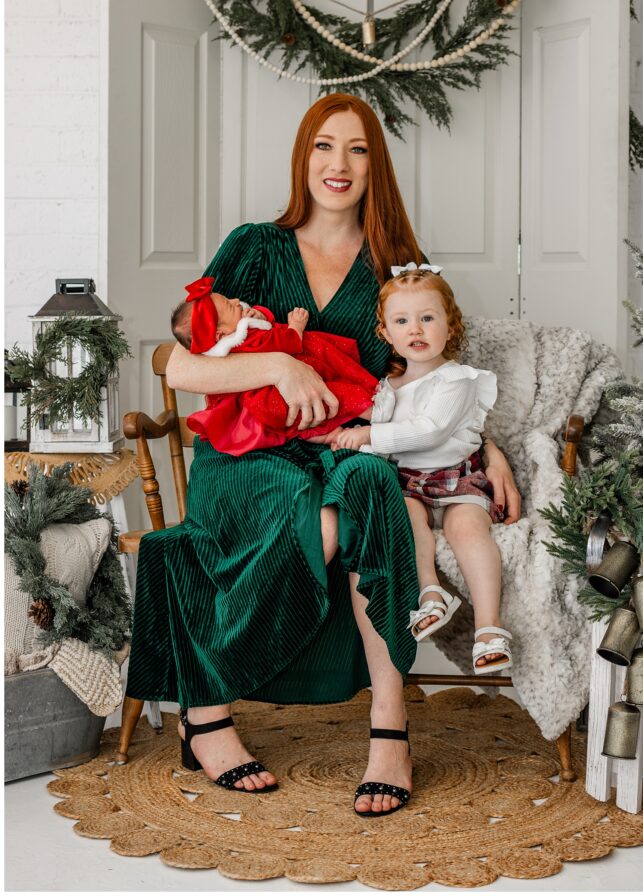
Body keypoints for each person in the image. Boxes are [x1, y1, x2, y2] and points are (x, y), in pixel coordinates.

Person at [126, 93, 521, 818]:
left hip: (342, 446)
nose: (339, 164)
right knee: (317, 523)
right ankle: (207, 712)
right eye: (324, 146)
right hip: (246, 454)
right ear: (302, 157)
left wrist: (484, 447)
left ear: (376, 167)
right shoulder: (254, 246)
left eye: (358, 149)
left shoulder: (392, 269)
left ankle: (390, 731)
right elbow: (173, 362)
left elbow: (418, 377)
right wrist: (278, 368)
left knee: (372, 484)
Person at [329, 265, 513, 673]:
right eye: (402, 321)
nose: (416, 329)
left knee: (466, 530)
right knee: (406, 523)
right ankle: (431, 593)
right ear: (386, 333)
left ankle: (489, 628)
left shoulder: (457, 380)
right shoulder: (387, 388)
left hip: (457, 477)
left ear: (450, 326)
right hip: (410, 484)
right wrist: (338, 434)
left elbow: (428, 432)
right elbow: (371, 428)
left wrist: (368, 437)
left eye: (427, 318)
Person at [170, 279, 377, 456]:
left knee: (302, 423)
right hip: (274, 399)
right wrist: (295, 327)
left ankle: (335, 436)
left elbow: (264, 324)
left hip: (268, 407)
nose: (235, 301)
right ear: (220, 335)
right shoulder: (242, 339)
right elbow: (279, 342)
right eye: (230, 305)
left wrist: (258, 315)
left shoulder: (231, 336)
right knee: (332, 395)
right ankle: (378, 413)